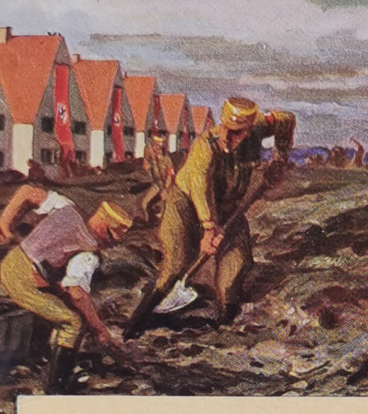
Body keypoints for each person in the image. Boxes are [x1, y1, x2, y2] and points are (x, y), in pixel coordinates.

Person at [126, 94, 295, 335]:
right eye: (230, 130)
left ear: (250, 128)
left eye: (240, 132)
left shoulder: (258, 126)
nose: (234, 137)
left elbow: (286, 119)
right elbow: (200, 187)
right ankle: (136, 324)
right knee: (175, 264)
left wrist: (280, 159)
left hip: (229, 206)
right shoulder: (205, 146)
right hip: (185, 203)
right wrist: (208, 228)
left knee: (236, 264)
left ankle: (225, 327)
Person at [0, 185, 138, 390]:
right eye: (111, 238)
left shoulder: (66, 207)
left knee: (68, 307)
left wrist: (4, 222)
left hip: (13, 262)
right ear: (102, 228)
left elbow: (26, 191)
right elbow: (77, 294)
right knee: (73, 322)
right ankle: (56, 385)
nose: (111, 244)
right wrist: (100, 329)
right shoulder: (88, 254)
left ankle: (44, 359)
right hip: (23, 281)